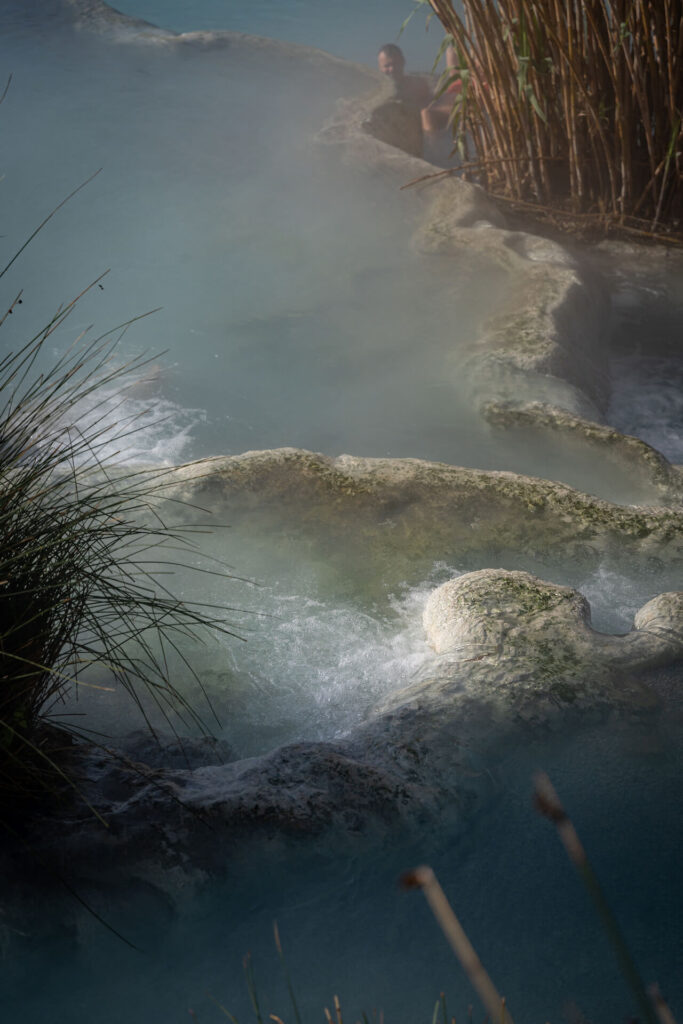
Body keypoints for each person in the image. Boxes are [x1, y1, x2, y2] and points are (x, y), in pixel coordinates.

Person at [377, 44, 432, 111]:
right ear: (380, 68)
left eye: (395, 64)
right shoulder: (373, 93)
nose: (392, 69)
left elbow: (430, 109)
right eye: (387, 66)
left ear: (403, 62)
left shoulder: (419, 87)